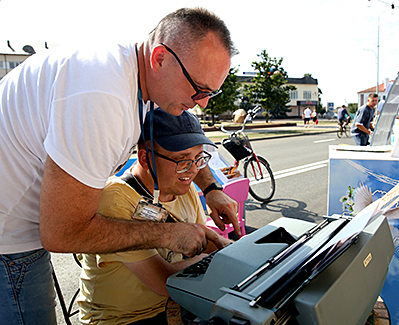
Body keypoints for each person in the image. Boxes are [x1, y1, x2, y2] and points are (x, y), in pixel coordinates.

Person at [0, 7, 239, 323]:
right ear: (159, 58)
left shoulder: (147, 77)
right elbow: (61, 233)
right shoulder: (103, 98)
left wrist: (210, 188)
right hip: (9, 233)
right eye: (199, 89)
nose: (203, 102)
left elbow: (186, 136)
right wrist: (166, 235)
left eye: (211, 91)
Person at [78, 108, 232, 324]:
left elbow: (203, 243)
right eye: (181, 160)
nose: (192, 170)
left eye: (198, 158)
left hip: (175, 306)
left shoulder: (184, 189)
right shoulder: (116, 199)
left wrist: (239, 250)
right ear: (145, 158)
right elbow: (163, 281)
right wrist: (207, 261)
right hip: (124, 319)